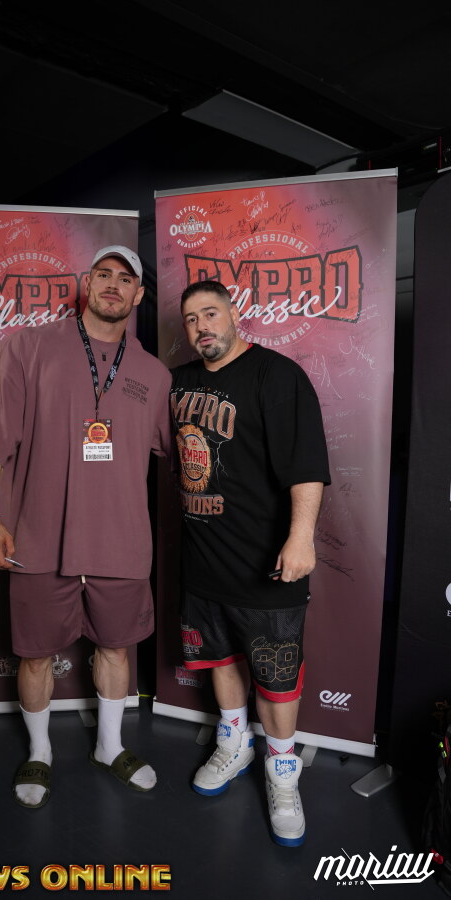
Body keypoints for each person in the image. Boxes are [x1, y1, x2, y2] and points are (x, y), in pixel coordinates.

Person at [0, 245, 172, 808]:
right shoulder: (29, 348)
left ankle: (110, 746)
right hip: (39, 539)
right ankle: (40, 751)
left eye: (126, 279)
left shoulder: (153, 373)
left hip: (121, 543)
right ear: (86, 283)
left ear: (138, 295)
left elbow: (186, 454)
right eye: (104, 274)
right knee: (34, 655)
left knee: (117, 650)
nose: (114, 285)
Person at [170, 279, 331, 846]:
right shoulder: (180, 381)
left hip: (266, 563)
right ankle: (235, 742)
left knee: (277, 677)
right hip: (204, 559)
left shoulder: (277, 375)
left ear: (234, 314)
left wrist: (301, 537)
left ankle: (282, 771)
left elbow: (306, 464)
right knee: (220, 659)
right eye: (191, 319)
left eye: (210, 313)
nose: (201, 327)